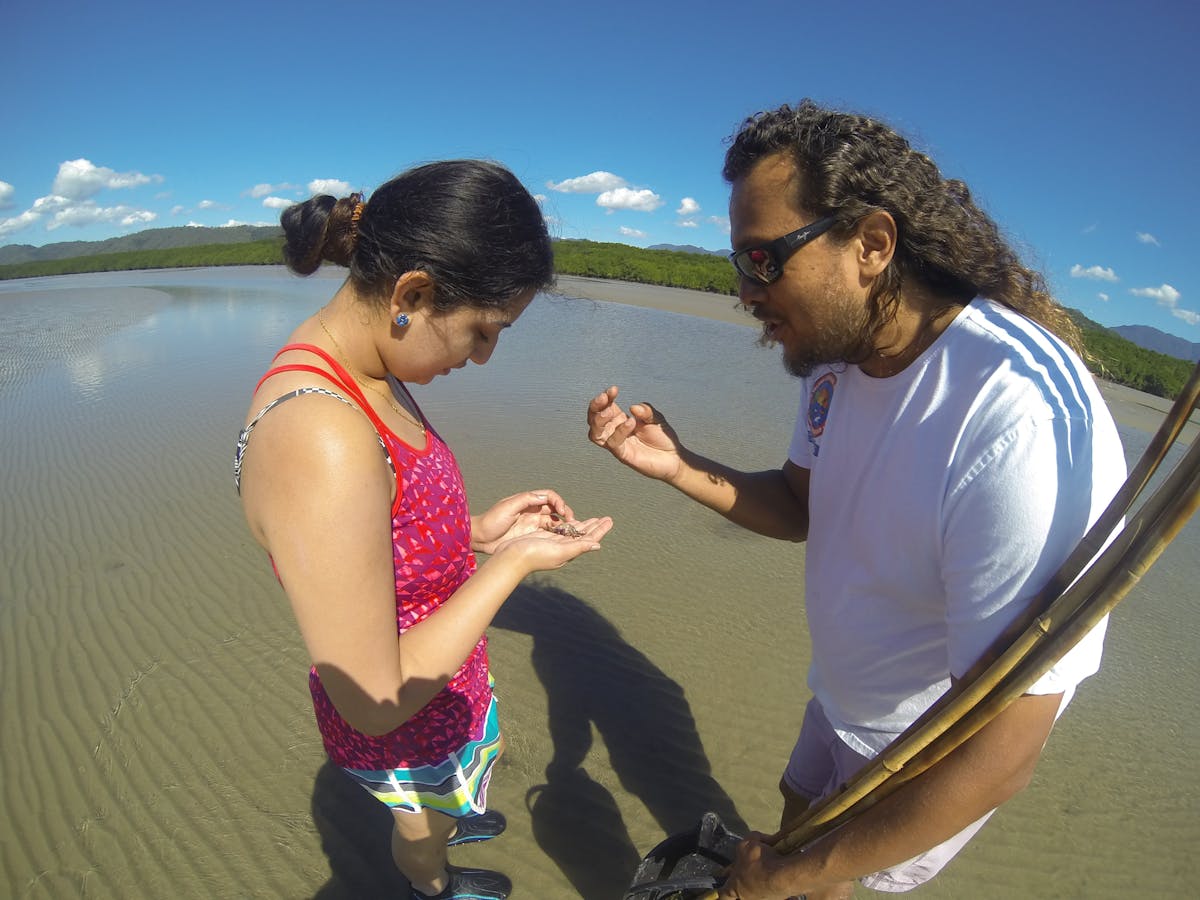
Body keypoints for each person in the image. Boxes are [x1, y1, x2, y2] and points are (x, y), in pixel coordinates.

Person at [588, 100, 1126, 899]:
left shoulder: (1017, 420)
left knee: (819, 881)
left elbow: (1003, 753)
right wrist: (677, 465)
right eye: (738, 262)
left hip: (919, 757)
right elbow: (804, 508)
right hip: (837, 695)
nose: (744, 291)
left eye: (764, 260)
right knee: (792, 813)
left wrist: (803, 873)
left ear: (872, 244)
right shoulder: (842, 358)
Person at [235, 159, 612, 900]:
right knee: (421, 833)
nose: (483, 356)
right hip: (403, 723)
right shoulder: (322, 433)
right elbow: (374, 698)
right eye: (482, 330)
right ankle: (433, 884)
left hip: (446, 683)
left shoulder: (370, 367)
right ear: (413, 293)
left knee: (447, 796)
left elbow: (372, 534)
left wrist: (475, 534)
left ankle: (451, 810)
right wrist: (513, 566)